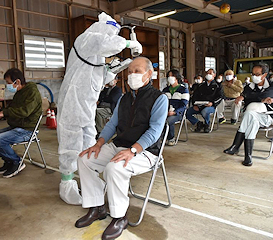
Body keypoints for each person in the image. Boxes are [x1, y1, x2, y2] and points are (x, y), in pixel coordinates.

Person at [75, 57, 168, 240]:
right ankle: (97, 207)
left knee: (114, 168)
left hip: (146, 152)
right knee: (84, 159)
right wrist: (99, 143)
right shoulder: (125, 98)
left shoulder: (159, 98)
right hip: (120, 145)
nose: (132, 75)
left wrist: (133, 150)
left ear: (149, 74)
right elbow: (112, 124)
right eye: (130, 71)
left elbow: (155, 131)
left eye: (137, 71)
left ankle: (120, 217)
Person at [57, 12, 142, 205]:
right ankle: (67, 185)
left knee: (89, 143)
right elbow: (105, 43)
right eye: (111, 34)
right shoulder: (85, 40)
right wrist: (129, 44)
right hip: (73, 102)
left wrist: (118, 67)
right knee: (70, 144)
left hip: (87, 105)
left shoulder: (97, 57)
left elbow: (99, 78)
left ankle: (88, 182)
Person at [0, 68, 42, 178]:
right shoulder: (19, 93)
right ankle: (8, 160)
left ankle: (17, 162)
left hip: (28, 129)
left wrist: (5, 113)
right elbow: (12, 109)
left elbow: (25, 112)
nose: (7, 86)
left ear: (18, 82)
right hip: (16, 126)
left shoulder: (32, 92)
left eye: (9, 83)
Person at [224, 64, 273, 166]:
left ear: (264, 75)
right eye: (253, 74)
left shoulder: (271, 86)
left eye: (257, 74)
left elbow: (260, 96)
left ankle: (236, 147)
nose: (254, 76)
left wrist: (246, 96)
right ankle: (248, 156)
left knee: (249, 114)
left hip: (267, 116)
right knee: (252, 120)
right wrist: (258, 99)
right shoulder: (249, 87)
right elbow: (254, 97)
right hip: (252, 117)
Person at [186, 68, 222, 133]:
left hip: (210, 106)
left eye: (210, 73)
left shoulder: (217, 86)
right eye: (207, 73)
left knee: (205, 111)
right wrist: (195, 104)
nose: (208, 75)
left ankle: (207, 124)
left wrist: (212, 103)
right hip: (199, 105)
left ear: (214, 75)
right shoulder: (201, 85)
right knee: (187, 112)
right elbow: (195, 95)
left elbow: (220, 97)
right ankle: (198, 123)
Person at [162, 69, 189, 146]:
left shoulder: (183, 89)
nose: (170, 77)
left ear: (177, 77)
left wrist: (175, 112)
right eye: (169, 76)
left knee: (168, 121)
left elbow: (184, 105)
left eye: (172, 76)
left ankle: (171, 138)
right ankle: (161, 137)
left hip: (178, 113)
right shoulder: (165, 90)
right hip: (166, 112)